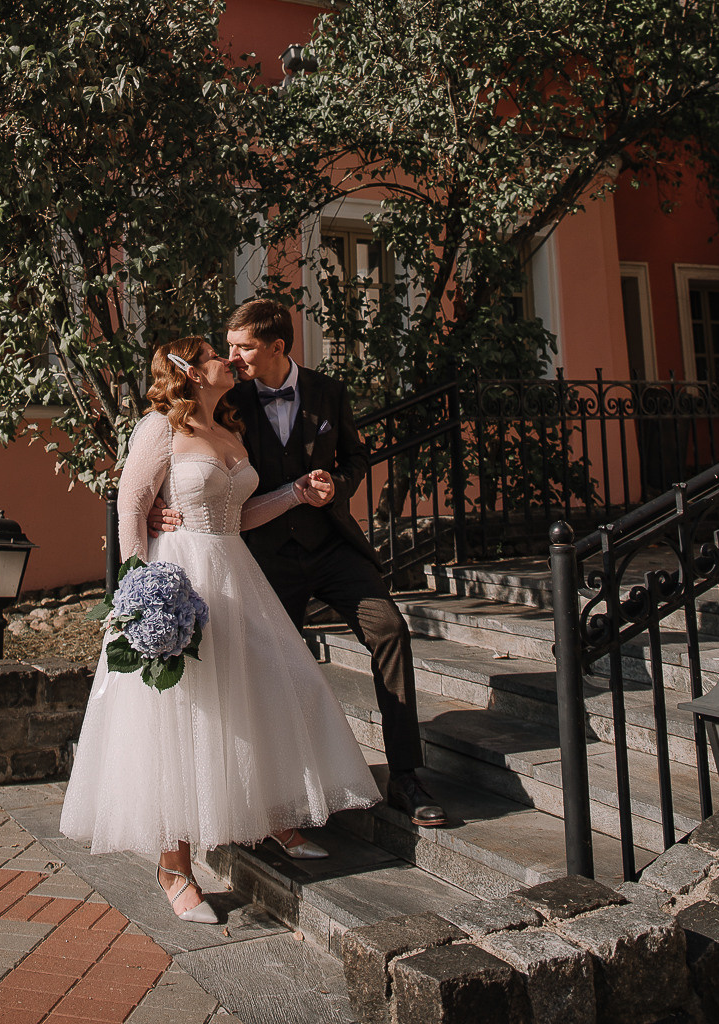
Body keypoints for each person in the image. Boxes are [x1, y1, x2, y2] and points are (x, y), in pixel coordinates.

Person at [59, 337, 382, 925]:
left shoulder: (231, 430)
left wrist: (293, 494)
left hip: (233, 572)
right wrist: (139, 591)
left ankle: (268, 817)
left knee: (265, 689)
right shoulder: (159, 428)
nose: (226, 360)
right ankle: (173, 865)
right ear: (186, 368)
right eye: (212, 353)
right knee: (180, 716)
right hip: (177, 575)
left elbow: (237, 515)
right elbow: (131, 506)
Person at [150, 298, 446, 827]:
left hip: (331, 545)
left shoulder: (328, 392)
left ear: (277, 348)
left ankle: (405, 776)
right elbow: (173, 442)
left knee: (390, 630)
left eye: (244, 348)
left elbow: (357, 457)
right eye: (230, 347)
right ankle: (274, 798)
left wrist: (338, 486)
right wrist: (154, 506)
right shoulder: (226, 396)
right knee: (264, 670)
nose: (234, 356)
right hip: (262, 557)